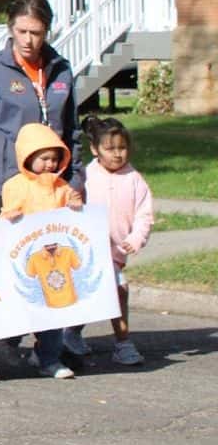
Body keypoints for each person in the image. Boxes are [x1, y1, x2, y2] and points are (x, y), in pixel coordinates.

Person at [0, 0, 82, 213]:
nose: (28, 40)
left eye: (36, 33)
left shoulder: (61, 69)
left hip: (53, 179)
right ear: (11, 28)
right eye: (22, 31)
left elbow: (71, 129)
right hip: (6, 180)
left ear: (46, 31)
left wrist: (75, 177)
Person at [0, 123, 86, 379]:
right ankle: (8, 341)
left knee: (52, 315)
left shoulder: (62, 186)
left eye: (54, 158)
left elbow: (74, 215)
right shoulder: (15, 186)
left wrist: (76, 204)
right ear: (28, 157)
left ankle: (49, 359)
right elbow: (5, 220)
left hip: (54, 262)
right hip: (24, 260)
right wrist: (9, 216)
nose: (50, 164)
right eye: (44, 158)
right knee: (21, 309)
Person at [74, 115, 153, 366]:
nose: (117, 154)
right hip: (85, 251)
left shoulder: (135, 179)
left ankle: (122, 343)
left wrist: (136, 238)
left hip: (116, 252)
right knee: (84, 294)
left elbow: (144, 215)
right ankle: (71, 335)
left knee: (119, 291)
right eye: (110, 149)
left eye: (122, 147)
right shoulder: (85, 176)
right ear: (95, 149)